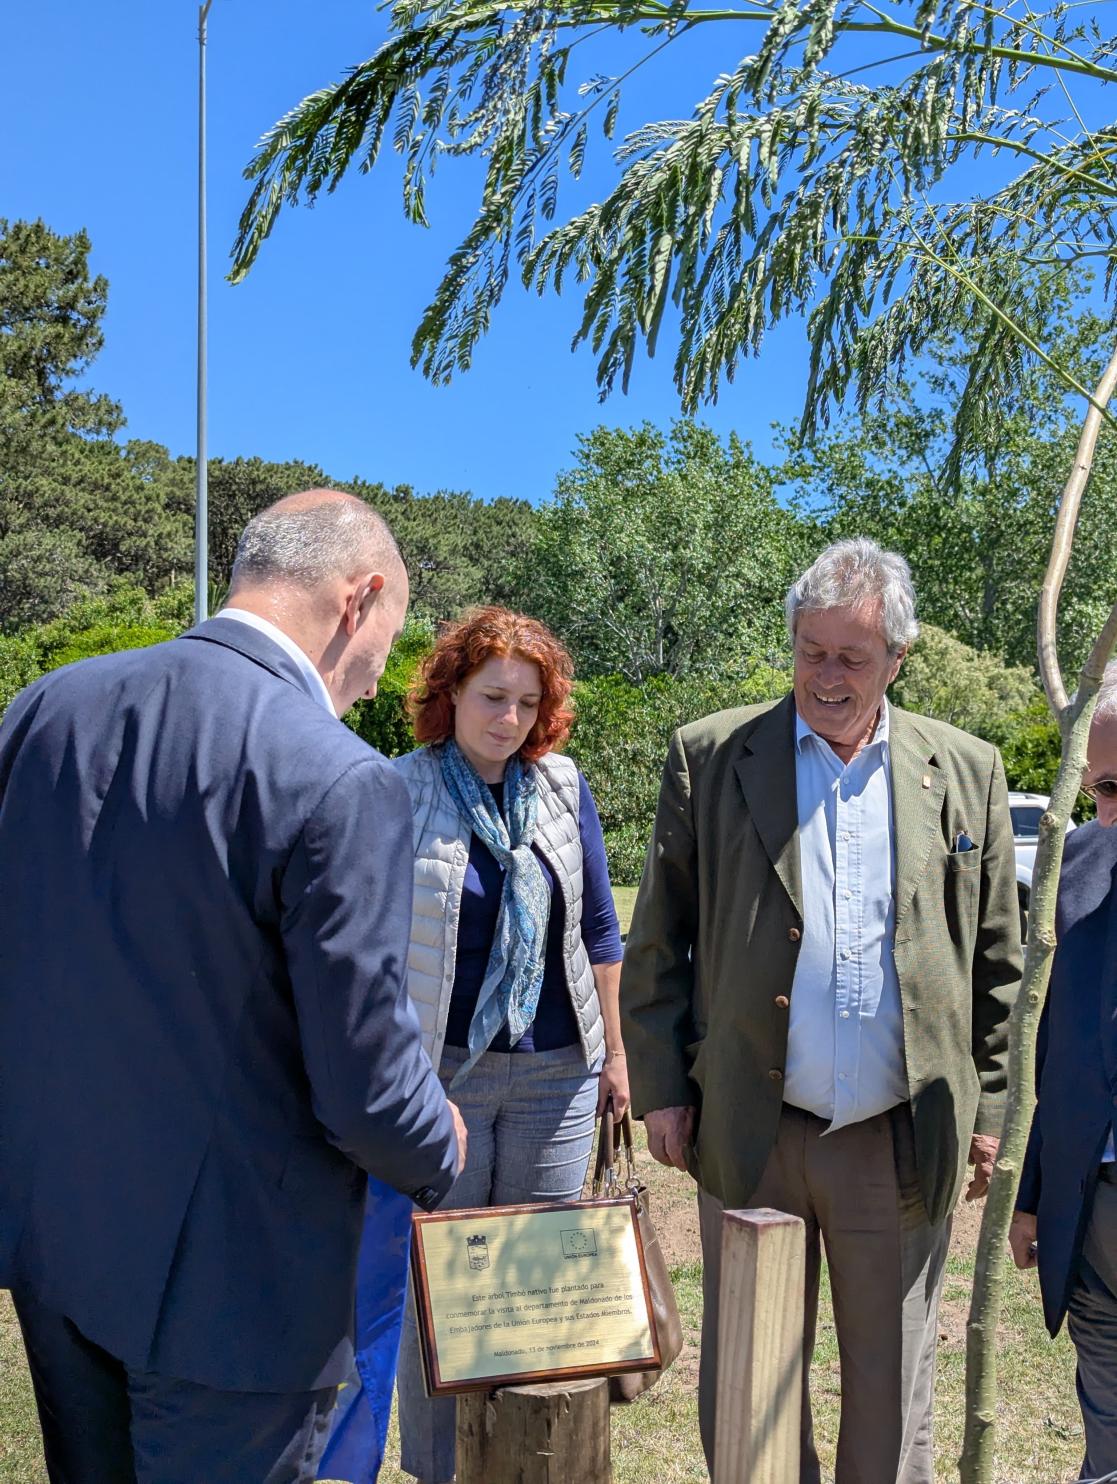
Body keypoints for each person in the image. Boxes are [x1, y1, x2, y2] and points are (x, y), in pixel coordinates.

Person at [0, 490, 465, 1484]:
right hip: (234, 1288)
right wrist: (440, 1140)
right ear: (361, 597)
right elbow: (368, 1084)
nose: (386, 661)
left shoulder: (45, 708)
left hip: (60, 1238)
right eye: (392, 631)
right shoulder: (338, 776)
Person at [622, 537, 1022, 1484]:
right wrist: (663, 1091)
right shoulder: (713, 755)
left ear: (896, 658)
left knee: (890, 1392)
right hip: (752, 1125)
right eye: (811, 651)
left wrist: (992, 1112)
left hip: (896, 1132)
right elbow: (657, 944)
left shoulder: (967, 771)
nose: (827, 676)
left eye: (851, 656)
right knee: (750, 1386)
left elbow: (1000, 966)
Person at [391, 605, 626, 1484]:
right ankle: (437, 1470)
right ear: (449, 691)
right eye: (493, 696)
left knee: (537, 1292)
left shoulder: (562, 786)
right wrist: (406, 1082)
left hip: (559, 1077)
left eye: (527, 703)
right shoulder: (398, 790)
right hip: (440, 1076)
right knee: (441, 1295)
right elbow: (375, 949)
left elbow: (600, 928)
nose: (509, 719)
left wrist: (616, 1058)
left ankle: (530, 1466)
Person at [1011, 663, 1117, 1482]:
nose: (1111, 812)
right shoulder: (1070, 864)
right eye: (1102, 790)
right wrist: (1031, 1196)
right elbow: (1050, 1051)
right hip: (1091, 1208)